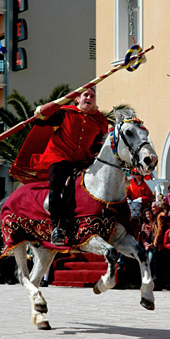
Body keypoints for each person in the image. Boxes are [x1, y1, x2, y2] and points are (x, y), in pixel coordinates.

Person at [25, 88, 108, 245]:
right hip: (59, 157)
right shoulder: (64, 113)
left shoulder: (100, 120)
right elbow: (41, 119)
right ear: (77, 99)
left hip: (82, 161)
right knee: (57, 185)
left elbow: (100, 143)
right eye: (86, 95)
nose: (89, 97)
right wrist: (41, 112)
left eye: (92, 96)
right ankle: (57, 227)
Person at [151, 201, 170, 291]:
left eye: (154, 207)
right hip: (158, 243)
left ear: (159, 207)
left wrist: (156, 242)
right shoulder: (158, 215)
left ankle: (160, 283)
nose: (152, 209)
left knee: (159, 265)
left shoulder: (161, 215)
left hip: (160, 244)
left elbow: (160, 230)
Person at [140, 208, 155, 275]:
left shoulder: (155, 223)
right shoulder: (144, 225)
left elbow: (157, 235)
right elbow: (142, 237)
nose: (148, 215)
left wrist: (152, 244)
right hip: (146, 246)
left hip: (154, 245)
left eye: (149, 214)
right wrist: (146, 245)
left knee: (150, 260)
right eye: (146, 214)